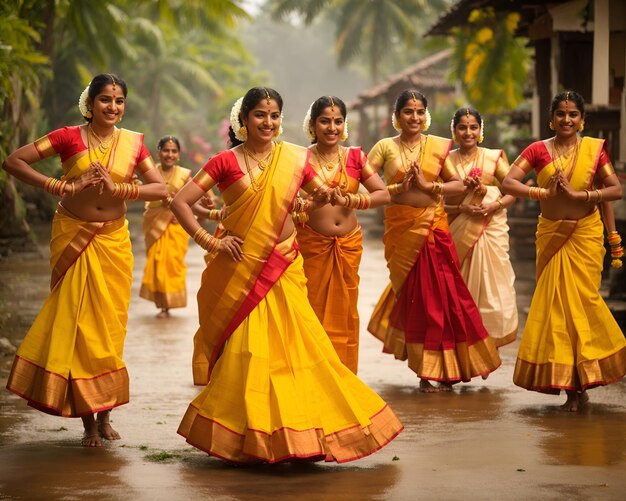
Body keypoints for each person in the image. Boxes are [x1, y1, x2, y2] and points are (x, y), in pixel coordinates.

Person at [170, 87, 403, 464]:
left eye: (275, 115)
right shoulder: (224, 162)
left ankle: (300, 433)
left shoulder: (294, 159)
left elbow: (321, 194)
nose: (268, 122)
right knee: (248, 353)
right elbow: (180, 202)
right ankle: (247, 438)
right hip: (242, 266)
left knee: (303, 349)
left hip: (285, 266)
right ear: (243, 120)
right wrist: (209, 243)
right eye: (260, 115)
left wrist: (341, 197)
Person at [3, 73, 167, 445]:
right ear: (89, 103)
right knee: (77, 326)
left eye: (119, 100)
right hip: (73, 234)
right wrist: (60, 185)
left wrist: (120, 188)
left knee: (108, 329)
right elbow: (13, 162)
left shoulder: (134, 143)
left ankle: (105, 415)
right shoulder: (66, 137)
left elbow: (161, 187)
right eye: (106, 99)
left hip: (113, 241)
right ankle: (87, 423)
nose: (113, 107)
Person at [367, 90, 501, 393]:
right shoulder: (384, 147)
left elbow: (455, 185)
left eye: (419, 111)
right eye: (408, 111)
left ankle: (444, 368)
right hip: (401, 232)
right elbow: (365, 180)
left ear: (425, 115)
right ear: (397, 116)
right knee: (417, 301)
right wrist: (398, 188)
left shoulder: (437, 147)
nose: (414, 117)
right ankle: (429, 368)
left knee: (443, 299)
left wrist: (428, 185)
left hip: (433, 229)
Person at [502, 90, 626, 411]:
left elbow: (614, 189)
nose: (567, 119)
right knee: (558, 311)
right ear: (551, 118)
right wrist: (542, 191)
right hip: (552, 235)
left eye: (573, 114)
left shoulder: (594, 150)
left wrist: (579, 195)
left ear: (582, 119)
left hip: (584, 235)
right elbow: (509, 182)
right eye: (561, 114)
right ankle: (572, 385)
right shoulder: (537, 150)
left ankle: (582, 379)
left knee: (582, 306)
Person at [294, 96, 389, 373]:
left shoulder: (355, 157)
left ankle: (342, 374)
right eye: (325, 120)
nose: (331, 127)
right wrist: (311, 204)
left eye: (338, 121)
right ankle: (311, 375)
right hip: (311, 244)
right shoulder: (299, 159)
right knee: (308, 310)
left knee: (346, 310)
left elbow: (382, 194)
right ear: (313, 124)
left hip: (347, 246)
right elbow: (285, 202)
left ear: (344, 125)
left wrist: (351, 201)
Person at [444, 107, 518, 348]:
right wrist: (462, 209)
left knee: (491, 294)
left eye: (473, 127)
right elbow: (437, 202)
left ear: (480, 130)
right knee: (457, 292)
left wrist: (490, 202)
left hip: (489, 231)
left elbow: (512, 193)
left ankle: (484, 347)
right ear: (454, 131)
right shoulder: (445, 160)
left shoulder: (493, 157)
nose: (468, 132)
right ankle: (463, 351)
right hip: (455, 230)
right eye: (462, 127)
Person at [139, 135, 191, 317]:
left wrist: (184, 214)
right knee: (156, 263)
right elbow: (143, 194)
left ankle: (166, 306)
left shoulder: (185, 174)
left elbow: (193, 199)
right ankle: (162, 304)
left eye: (174, 151)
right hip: (154, 222)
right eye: (166, 150)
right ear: (158, 152)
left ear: (179, 154)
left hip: (176, 227)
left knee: (171, 265)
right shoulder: (150, 172)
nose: (170, 154)